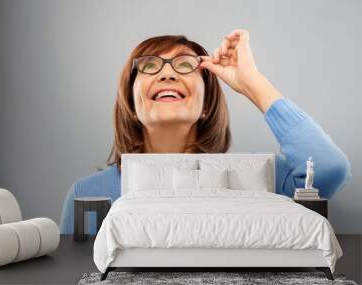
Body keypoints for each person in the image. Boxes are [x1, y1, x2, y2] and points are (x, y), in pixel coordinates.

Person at [59, 30, 352, 235]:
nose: (167, 73)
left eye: (185, 65)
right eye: (149, 65)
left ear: (206, 105)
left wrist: (252, 83)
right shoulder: (88, 195)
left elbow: (329, 167)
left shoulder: (261, 178)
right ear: (132, 103)